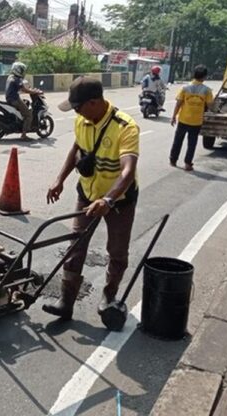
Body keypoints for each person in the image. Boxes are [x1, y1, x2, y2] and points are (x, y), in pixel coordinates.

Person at [44, 77, 140, 327]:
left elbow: (128, 172)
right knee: (76, 245)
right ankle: (66, 303)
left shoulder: (125, 127)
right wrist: (60, 179)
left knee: (117, 252)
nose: (76, 112)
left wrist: (108, 199)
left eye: (78, 106)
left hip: (119, 202)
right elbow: (76, 149)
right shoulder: (82, 120)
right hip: (87, 194)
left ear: (95, 103)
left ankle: (109, 297)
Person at [170, 65, 214, 171]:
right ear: (204, 77)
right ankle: (188, 164)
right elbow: (210, 105)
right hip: (196, 121)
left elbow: (178, 103)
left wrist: (173, 116)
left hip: (183, 119)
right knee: (192, 143)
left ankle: (173, 160)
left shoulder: (185, 88)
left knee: (178, 141)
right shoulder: (207, 90)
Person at [5, 62, 42, 140]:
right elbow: (24, 90)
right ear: (18, 70)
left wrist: (30, 89)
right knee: (28, 115)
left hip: (10, 98)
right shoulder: (17, 79)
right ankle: (24, 135)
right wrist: (35, 92)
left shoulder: (11, 77)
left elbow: (21, 88)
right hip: (15, 99)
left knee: (25, 103)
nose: (23, 72)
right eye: (21, 70)